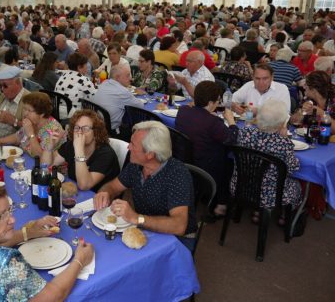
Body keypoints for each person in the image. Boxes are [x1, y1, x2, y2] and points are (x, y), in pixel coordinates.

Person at [93, 121, 197, 251]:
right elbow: (113, 187)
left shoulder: (177, 174)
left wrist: (136, 218)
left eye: (133, 144)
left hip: (177, 240)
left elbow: (179, 226)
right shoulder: (136, 165)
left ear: (150, 154)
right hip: (144, 227)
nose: (128, 147)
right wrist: (104, 193)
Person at [232, 100, 301, 224]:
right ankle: (284, 217)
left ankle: (258, 212)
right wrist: (284, 138)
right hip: (269, 195)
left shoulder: (243, 133)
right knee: (296, 185)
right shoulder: (283, 143)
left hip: (240, 187)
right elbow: (293, 168)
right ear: (281, 124)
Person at [175, 81, 238, 217]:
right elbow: (232, 139)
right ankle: (221, 204)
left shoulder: (183, 111)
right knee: (230, 162)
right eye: (217, 100)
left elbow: (197, 117)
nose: (218, 103)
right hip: (205, 166)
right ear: (211, 102)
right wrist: (231, 121)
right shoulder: (214, 123)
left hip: (183, 160)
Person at [42, 109, 120, 192]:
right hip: (74, 192)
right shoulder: (71, 145)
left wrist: (79, 150)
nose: (80, 132)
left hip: (97, 199)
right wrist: (49, 147)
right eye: (77, 128)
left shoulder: (106, 154)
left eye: (85, 128)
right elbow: (45, 166)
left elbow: (84, 185)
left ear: (96, 132)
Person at [0, 92, 64, 157]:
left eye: (29, 110)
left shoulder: (53, 130)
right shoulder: (32, 122)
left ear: (42, 114)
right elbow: (17, 137)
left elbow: (41, 157)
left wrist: (31, 134)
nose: (25, 113)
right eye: (24, 109)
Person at [91, 64, 144, 134]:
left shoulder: (104, 83)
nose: (131, 79)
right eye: (128, 75)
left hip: (96, 125)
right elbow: (140, 106)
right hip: (110, 131)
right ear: (117, 77)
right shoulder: (122, 92)